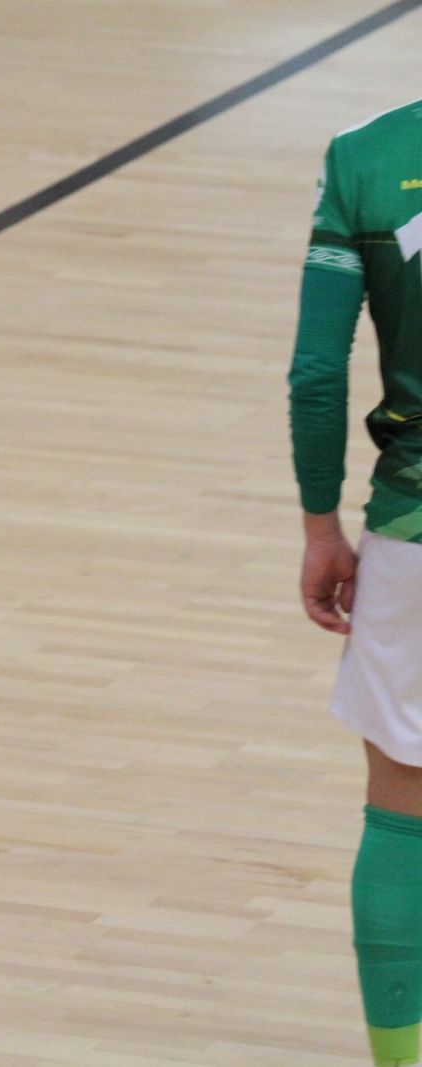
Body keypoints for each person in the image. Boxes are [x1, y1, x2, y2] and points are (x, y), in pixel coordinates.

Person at [290, 98, 422, 1067]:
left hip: (414, 527)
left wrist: (316, 522)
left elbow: (316, 374)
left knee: (400, 797)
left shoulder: (365, 159)